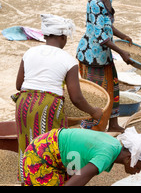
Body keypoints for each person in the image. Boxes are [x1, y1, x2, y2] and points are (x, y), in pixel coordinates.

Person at [14, 14, 103, 183]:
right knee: (54, 146)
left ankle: (28, 180)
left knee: (27, 145)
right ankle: (55, 181)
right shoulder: (68, 60)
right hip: (48, 106)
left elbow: (19, 85)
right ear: (63, 37)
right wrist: (94, 111)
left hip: (24, 103)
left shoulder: (29, 52)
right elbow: (76, 97)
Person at [76, 0, 134, 133]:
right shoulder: (94, 3)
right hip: (92, 56)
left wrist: (122, 35)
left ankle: (113, 124)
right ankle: (93, 128)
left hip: (104, 55)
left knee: (113, 87)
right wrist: (122, 52)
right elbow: (101, 36)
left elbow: (107, 26)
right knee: (97, 94)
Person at [22, 126, 141, 186]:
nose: (137, 172)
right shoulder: (105, 156)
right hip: (42, 156)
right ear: (131, 158)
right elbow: (77, 180)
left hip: (49, 148)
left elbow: (77, 173)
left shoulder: (113, 144)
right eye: (139, 167)